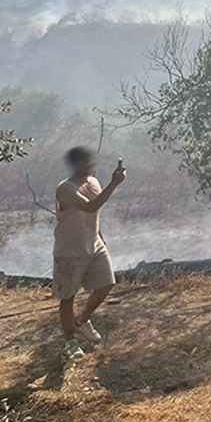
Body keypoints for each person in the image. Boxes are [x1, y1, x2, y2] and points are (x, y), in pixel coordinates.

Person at [53, 146, 126, 359]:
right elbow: (91, 207)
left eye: (92, 163)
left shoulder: (93, 182)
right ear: (75, 164)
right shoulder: (65, 189)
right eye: (87, 163)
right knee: (68, 296)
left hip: (94, 245)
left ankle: (81, 320)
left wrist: (100, 236)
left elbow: (96, 213)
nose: (91, 167)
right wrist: (115, 183)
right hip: (70, 250)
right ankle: (70, 342)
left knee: (107, 283)